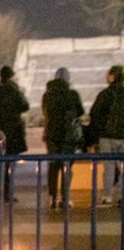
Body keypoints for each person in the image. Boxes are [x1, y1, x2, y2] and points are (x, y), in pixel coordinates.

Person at [40, 67, 83, 210]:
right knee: (67, 166)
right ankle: (65, 198)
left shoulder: (47, 95)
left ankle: (52, 197)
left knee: (53, 166)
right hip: (67, 136)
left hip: (52, 135)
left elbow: (45, 112)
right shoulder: (72, 94)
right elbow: (80, 111)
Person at [0, 64, 28, 197]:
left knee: (1, 160)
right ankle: (7, 191)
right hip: (13, 130)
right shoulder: (14, 90)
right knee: (10, 161)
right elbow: (24, 106)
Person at [87, 64, 124, 205]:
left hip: (106, 136)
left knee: (108, 166)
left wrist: (93, 137)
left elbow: (94, 115)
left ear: (112, 77)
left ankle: (107, 195)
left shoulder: (105, 94)